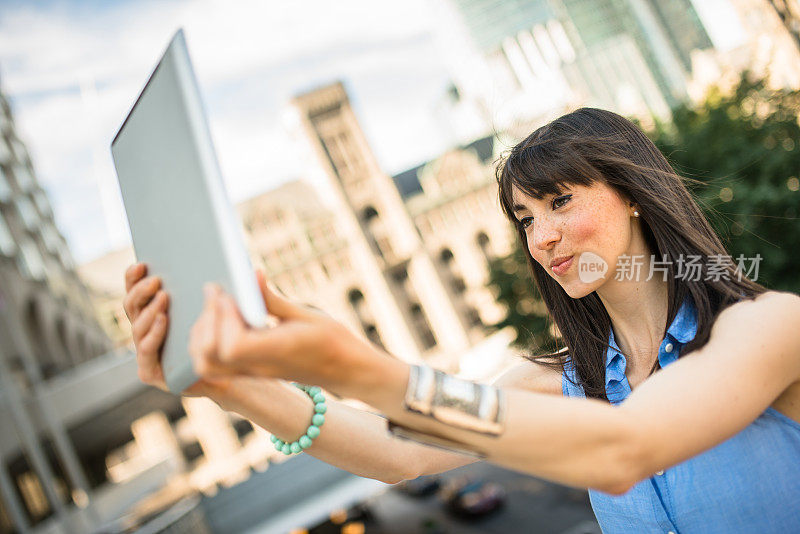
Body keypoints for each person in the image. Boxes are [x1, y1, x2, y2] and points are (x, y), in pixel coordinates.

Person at [123, 108, 800, 533]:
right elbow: (397, 449)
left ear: (634, 197)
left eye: (561, 201)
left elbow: (624, 449)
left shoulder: (768, 328)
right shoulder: (560, 377)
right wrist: (230, 388)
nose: (543, 238)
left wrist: (353, 365)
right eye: (526, 219)